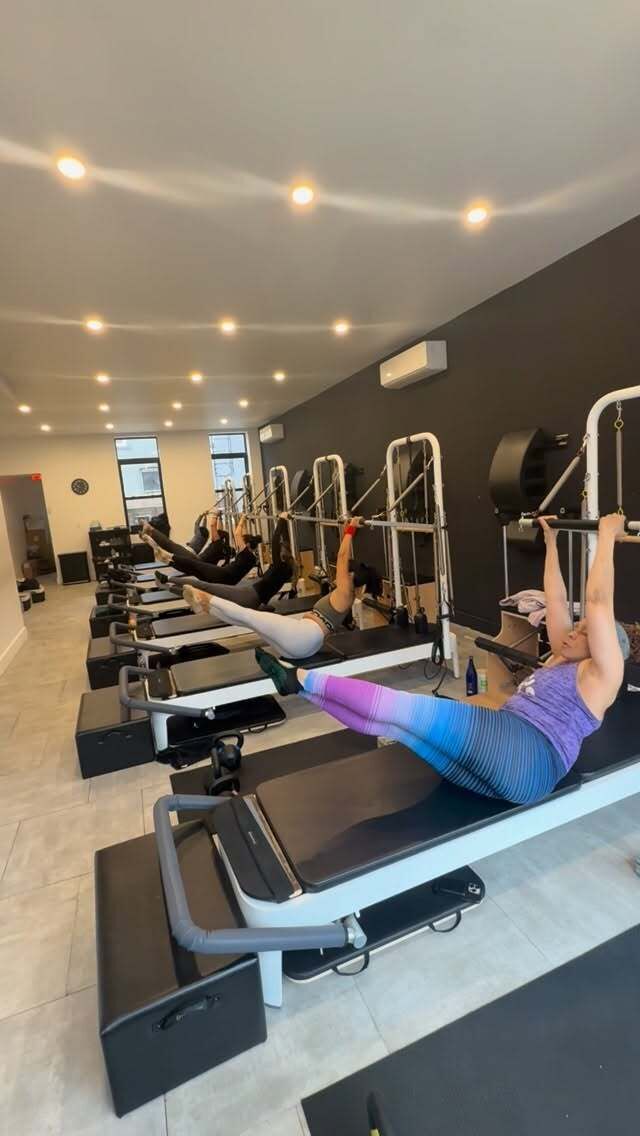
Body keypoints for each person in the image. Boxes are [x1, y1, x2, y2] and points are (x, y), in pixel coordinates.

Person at [253, 514, 630, 805]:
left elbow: (598, 603)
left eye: (585, 632)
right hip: (510, 755)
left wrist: (606, 536)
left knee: (407, 708)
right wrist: (551, 541)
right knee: (400, 728)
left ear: (602, 647)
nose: (574, 630)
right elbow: (557, 599)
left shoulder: (600, 675)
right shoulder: (563, 656)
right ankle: (301, 690)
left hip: (529, 756)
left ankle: (302, 678)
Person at [183, 516, 371, 653]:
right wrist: (346, 529)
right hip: (302, 644)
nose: (339, 573)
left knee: (249, 616)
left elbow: (342, 556)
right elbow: (342, 558)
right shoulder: (345, 594)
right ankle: (207, 606)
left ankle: (205, 599)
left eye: (344, 572)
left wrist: (351, 530)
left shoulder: (346, 592)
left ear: (351, 577)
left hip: (303, 637)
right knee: (248, 621)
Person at [182, 514, 298, 612]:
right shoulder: (288, 568)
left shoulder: (278, 566)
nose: (274, 552)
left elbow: (275, 540)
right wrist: (284, 522)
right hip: (254, 598)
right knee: (206, 586)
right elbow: (284, 541)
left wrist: (281, 519)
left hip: (249, 595)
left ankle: (173, 579)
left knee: (205, 585)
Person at [142, 513, 259, 584]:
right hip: (223, 577)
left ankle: (166, 554)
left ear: (248, 545)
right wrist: (220, 518)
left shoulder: (219, 544)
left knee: (179, 552)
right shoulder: (251, 558)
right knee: (192, 569)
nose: (214, 534)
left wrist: (242, 518)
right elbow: (221, 529)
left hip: (215, 570)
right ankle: (167, 560)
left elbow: (236, 533)